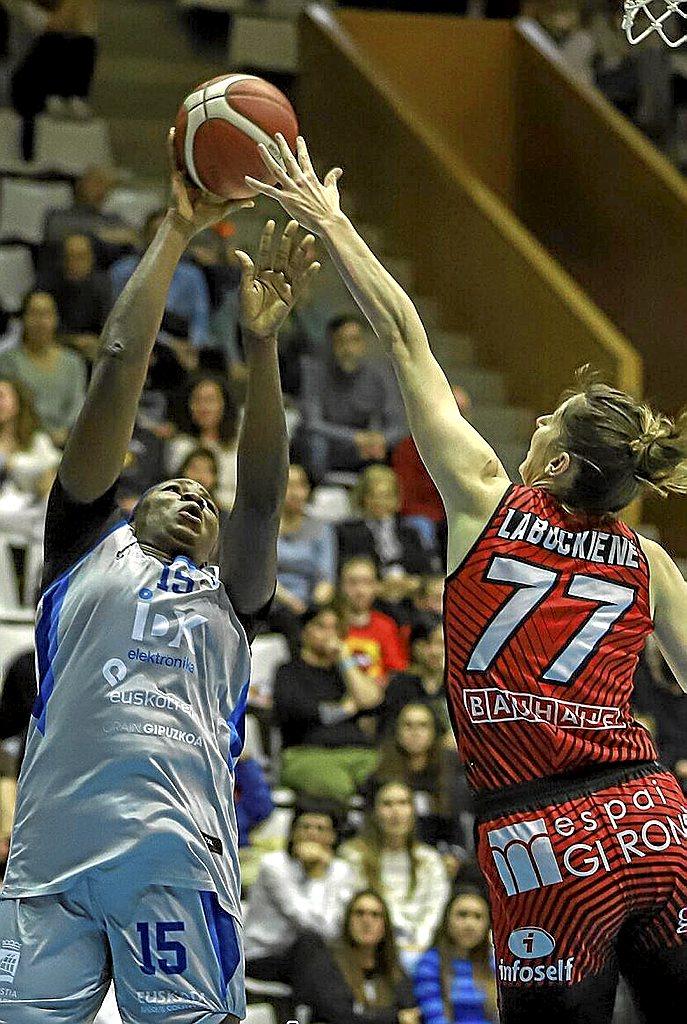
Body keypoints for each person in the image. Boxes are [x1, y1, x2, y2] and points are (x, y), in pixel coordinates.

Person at [248, 133, 687, 1022]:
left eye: (546, 422)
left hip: (540, 840)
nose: (529, 422)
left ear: (558, 465)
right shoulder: (646, 560)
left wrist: (334, 223)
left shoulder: (490, 503)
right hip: (654, 821)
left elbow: (405, 334)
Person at [0, 124, 321, 1022]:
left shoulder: (231, 598)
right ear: (126, 502)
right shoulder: (82, 544)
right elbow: (115, 367)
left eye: (205, 502)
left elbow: (259, 495)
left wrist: (260, 346)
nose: (195, 496)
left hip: (177, 865)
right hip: (50, 865)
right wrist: (174, 231)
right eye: (173, 486)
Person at [273, 603, 381, 801]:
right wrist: (345, 709)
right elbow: (301, 711)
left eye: (335, 628)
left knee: (386, 781)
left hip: (357, 752)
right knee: (339, 786)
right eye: (321, 627)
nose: (330, 634)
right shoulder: (289, 671)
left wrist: (345, 657)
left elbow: (369, 701)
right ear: (305, 631)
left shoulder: (345, 673)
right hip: (306, 754)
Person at [244, 800, 356, 982]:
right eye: (305, 827)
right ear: (293, 833)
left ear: (333, 837)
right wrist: (317, 875)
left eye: (320, 828)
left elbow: (336, 927)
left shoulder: (341, 870)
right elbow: (311, 925)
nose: (312, 833)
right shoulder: (274, 866)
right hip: (264, 955)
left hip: (314, 956)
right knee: (311, 946)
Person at [339, 780, 450, 965]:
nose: (396, 812)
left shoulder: (429, 859)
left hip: (419, 950)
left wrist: (418, 946)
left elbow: (434, 911)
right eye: (387, 804)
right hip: (372, 949)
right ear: (374, 812)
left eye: (403, 803)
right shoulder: (353, 856)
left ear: (413, 811)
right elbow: (353, 909)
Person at [295, 314, 407, 484]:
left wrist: (381, 439)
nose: (348, 348)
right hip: (328, 444)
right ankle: (317, 490)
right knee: (316, 442)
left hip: (364, 447)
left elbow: (398, 424)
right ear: (331, 343)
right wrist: (355, 438)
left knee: (403, 446)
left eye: (355, 340)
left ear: (364, 344)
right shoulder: (314, 370)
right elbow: (312, 423)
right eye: (341, 341)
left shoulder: (379, 374)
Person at [291, 889, 419, 1024]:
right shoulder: (327, 962)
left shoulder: (393, 970)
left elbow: (410, 1011)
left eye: (375, 915)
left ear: (385, 925)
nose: (367, 921)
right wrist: (395, 1018)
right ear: (348, 921)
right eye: (359, 913)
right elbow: (340, 1016)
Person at [365, 703, 466, 857]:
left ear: (434, 731)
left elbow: (457, 826)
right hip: (387, 853)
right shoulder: (380, 774)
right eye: (408, 725)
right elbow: (368, 822)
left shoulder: (450, 771)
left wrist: (454, 856)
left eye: (423, 725)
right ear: (397, 731)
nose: (415, 732)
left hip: (439, 855)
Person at [111, 209, 212, 354]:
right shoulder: (122, 272)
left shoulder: (192, 275)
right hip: (137, 343)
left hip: (183, 341)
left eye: (168, 234)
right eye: (156, 233)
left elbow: (200, 317)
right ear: (145, 236)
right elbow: (120, 322)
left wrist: (193, 346)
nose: (162, 240)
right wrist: (171, 344)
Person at [0, 290, 87, 447]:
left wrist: (63, 433)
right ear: (23, 319)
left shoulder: (73, 362)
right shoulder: (7, 361)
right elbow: (9, 408)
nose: (40, 321)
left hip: (68, 442)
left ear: (56, 319)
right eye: (34, 313)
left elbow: (77, 406)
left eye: (46, 314)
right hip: (23, 443)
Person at [413, 886, 498, 1024]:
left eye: (478, 916)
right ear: (447, 920)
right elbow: (435, 1019)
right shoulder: (429, 963)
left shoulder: (494, 964)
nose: (470, 924)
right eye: (462, 914)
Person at [338, 464, 436, 578]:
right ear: (363, 497)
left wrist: (413, 584)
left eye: (387, 496)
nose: (380, 501)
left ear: (396, 499)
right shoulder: (348, 533)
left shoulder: (411, 533)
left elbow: (428, 575)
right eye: (374, 495)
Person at [166, 372, 240, 509]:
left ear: (224, 404)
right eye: (197, 400)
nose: (203, 407)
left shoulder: (239, 448)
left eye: (210, 400)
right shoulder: (180, 445)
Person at [39, 233, 112, 364]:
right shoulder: (47, 284)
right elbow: (41, 326)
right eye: (69, 256)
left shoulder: (102, 285)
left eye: (81, 257)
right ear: (62, 259)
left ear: (91, 258)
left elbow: (108, 324)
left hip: (92, 346)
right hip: (56, 344)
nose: (74, 262)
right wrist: (74, 340)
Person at [338, 555, 409, 686]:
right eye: (353, 583)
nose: (360, 591)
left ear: (376, 587)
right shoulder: (331, 624)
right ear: (341, 585)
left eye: (367, 582)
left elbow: (397, 670)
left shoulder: (386, 625)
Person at [0, 375, 60, 511]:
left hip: (30, 514)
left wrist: (13, 464)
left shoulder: (38, 440)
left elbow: (51, 476)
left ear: (18, 401)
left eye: (1, 396)